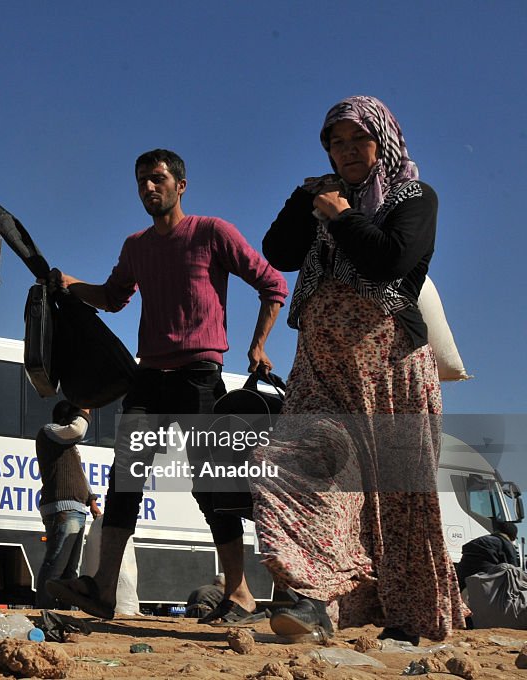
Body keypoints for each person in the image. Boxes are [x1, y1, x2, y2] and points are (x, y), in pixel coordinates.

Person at [252, 95, 464, 645]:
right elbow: (278, 252)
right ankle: (311, 599)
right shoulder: (321, 195)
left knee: (399, 497)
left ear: (383, 141)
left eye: (357, 140)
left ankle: (409, 617)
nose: (346, 151)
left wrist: (342, 216)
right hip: (320, 367)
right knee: (294, 464)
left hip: (388, 370)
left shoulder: (414, 197)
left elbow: (389, 260)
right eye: (335, 142)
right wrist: (308, 201)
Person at [45, 149, 287, 622]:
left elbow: (273, 284)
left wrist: (257, 345)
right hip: (148, 378)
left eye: (157, 179)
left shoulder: (212, 232)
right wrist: (71, 283)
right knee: (123, 483)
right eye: (141, 182)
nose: (148, 189)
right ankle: (102, 589)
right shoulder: (136, 246)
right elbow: (113, 298)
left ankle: (238, 592)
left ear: (181, 185)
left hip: (199, 377)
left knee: (212, 487)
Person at [34, 400, 101, 608]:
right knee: (56, 562)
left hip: (77, 509)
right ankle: (43, 608)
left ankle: (64, 611)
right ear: (65, 419)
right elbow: (77, 430)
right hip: (62, 508)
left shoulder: (69, 447)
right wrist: (85, 410)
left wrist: (92, 501)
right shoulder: (48, 432)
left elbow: (79, 475)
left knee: (71, 569)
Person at [457, 521, 520, 591]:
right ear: (512, 536)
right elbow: (513, 569)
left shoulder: (478, 540)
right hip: (486, 584)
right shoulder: (505, 544)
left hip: (463, 581)